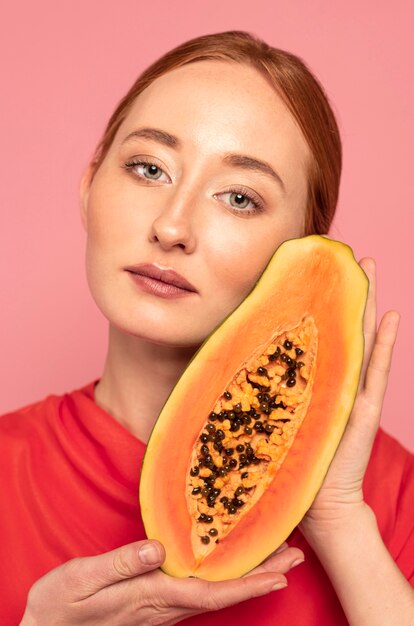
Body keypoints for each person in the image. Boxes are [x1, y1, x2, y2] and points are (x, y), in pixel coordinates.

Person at [1, 30, 413, 625]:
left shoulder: (388, 495)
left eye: (239, 198)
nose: (172, 227)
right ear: (90, 187)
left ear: (301, 249)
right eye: (149, 168)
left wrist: (340, 519)